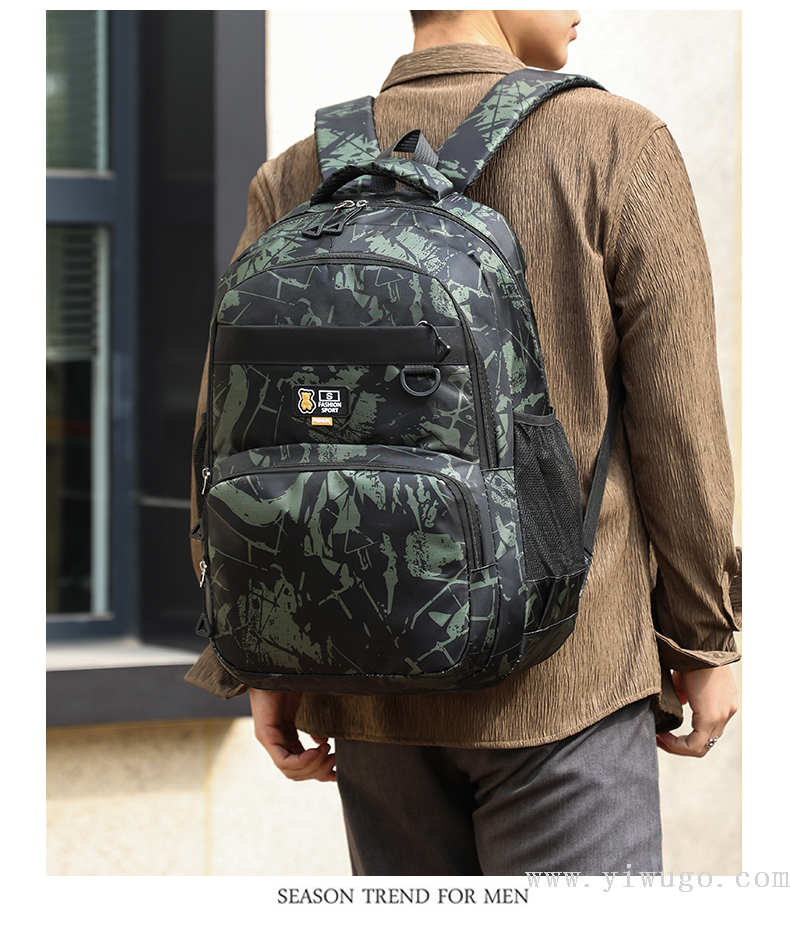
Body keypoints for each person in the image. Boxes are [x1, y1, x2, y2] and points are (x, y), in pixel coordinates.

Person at [186, 10, 741, 875]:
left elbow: (228, 428)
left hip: (367, 683)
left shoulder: (299, 170)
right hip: (567, 683)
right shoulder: (616, 143)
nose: (581, 11)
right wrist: (703, 639)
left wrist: (261, 652)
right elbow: (681, 427)